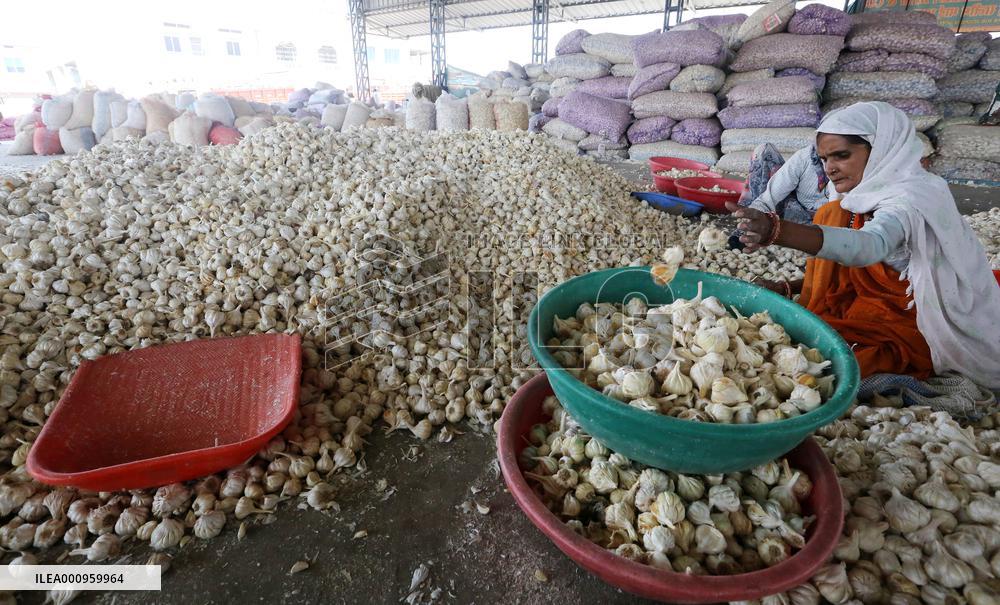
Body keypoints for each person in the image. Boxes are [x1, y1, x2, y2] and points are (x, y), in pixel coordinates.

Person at [726, 101, 1000, 389]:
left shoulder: (910, 199)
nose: (830, 169)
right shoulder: (855, 200)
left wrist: (775, 230)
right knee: (830, 215)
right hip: (868, 306)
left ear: (880, 149)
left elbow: (870, 246)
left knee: (828, 367)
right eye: (824, 159)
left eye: (841, 156)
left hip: (918, 318)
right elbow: (849, 272)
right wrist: (787, 287)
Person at [728, 143, 833, 250]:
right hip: (794, 212)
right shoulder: (805, 157)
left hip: (824, 226)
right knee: (764, 150)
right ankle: (751, 225)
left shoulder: (842, 171)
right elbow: (769, 197)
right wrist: (754, 221)